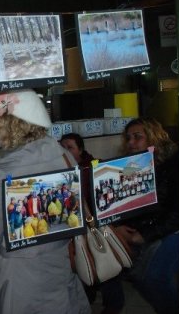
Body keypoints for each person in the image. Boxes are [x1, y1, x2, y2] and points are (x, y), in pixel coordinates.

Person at [0, 89, 90, 314]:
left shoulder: (3, 176)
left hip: (21, 276)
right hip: (61, 263)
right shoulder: (65, 156)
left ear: (15, 125)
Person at [115, 117, 179, 314]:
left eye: (137, 137)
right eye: (128, 138)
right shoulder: (131, 166)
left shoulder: (172, 165)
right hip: (146, 230)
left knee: (154, 276)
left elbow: (177, 212)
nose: (131, 143)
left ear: (153, 138)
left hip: (173, 230)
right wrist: (119, 226)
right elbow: (123, 206)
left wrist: (145, 234)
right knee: (138, 277)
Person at [61, 132, 124, 313]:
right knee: (84, 260)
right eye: (62, 148)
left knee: (104, 254)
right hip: (78, 228)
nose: (65, 151)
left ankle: (114, 303)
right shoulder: (63, 171)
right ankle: (88, 296)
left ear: (80, 149)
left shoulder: (94, 166)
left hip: (98, 225)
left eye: (70, 147)